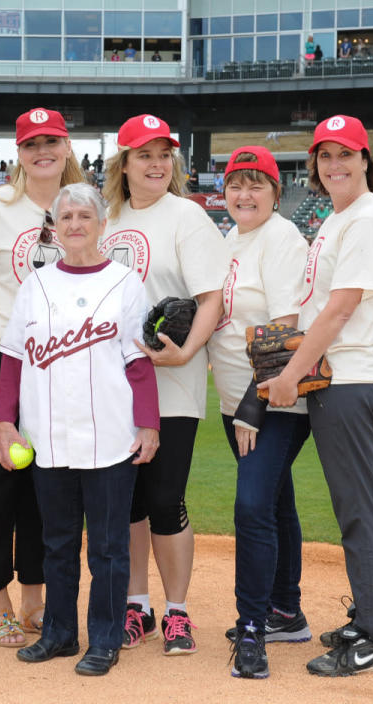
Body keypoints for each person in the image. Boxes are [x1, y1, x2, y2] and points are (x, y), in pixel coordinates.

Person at [0, 183, 158, 676]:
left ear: (102, 224)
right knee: (57, 543)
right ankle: (60, 634)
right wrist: (5, 421)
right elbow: (12, 357)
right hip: (47, 435)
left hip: (110, 434)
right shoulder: (36, 284)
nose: (75, 224)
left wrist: (148, 423)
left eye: (84, 215)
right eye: (65, 217)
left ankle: (105, 639)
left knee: (109, 546)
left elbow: (139, 360)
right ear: (54, 227)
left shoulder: (126, 282)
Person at [260, 115, 373, 677]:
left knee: (361, 514)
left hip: (351, 379)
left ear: (367, 160)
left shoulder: (366, 219)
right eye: (325, 155)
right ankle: (368, 618)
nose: (335, 164)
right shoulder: (339, 219)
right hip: (341, 380)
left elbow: (341, 309)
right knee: (355, 510)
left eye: (347, 154)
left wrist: (292, 372)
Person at [101, 114, 227, 655]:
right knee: (126, 501)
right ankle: (138, 606)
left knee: (166, 499)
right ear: (123, 163)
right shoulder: (105, 219)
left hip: (172, 380)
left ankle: (177, 611)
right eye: (143, 154)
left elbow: (211, 298)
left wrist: (188, 352)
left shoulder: (188, 217)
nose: (156, 164)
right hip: (112, 383)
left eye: (163, 154)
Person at [0, 107, 85, 648]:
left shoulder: (81, 206)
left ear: (66, 147)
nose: (42, 151)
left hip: (57, 360)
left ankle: (35, 595)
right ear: (18, 152)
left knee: (48, 484)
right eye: (31, 143)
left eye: (51, 141)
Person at [206, 147, 311, 679]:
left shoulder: (281, 239)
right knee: (275, 502)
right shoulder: (230, 239)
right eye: (235, 186)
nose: (244, 195)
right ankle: (285, 609)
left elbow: (287, 327)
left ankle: (252, 630)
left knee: (251, 507)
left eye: (257, 185)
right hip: (235, 400)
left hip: (276, 401)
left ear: (276, 191)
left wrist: (254, 406)